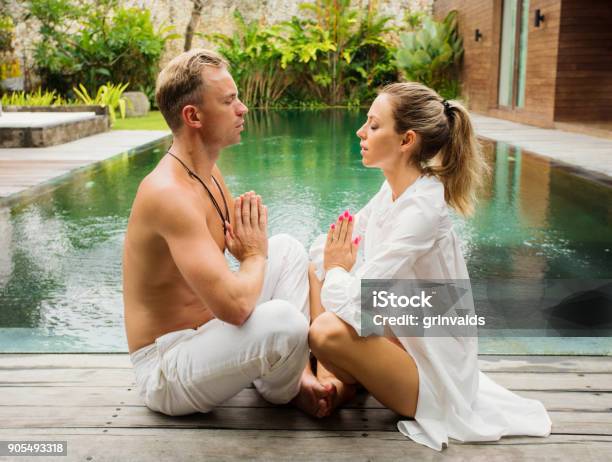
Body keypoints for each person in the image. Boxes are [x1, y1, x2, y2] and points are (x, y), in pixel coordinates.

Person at [307, 82, 552, 449]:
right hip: (401, 337)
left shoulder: (422, 209)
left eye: (373, 125)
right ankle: (338, 380)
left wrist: (339, 269)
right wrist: (332, 265)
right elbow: (327, 248)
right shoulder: (393, 192)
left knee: (325, 330)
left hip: (433, 373)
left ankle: (336, 379)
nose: (361, 131)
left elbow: (360, 296)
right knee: (316, 268)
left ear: (406, 140)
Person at [123, 48, 333, 417]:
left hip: (209, 331)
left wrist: (255, 251)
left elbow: (235, 268)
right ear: (194, 116)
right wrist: (253, 255)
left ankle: (288, 377)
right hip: (167, 367)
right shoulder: (169, 195)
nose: (243, 109)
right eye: (229, 100)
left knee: (287, 250)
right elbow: (235, 307)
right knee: (284, 321)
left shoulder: (207, 172)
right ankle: (287, 388)